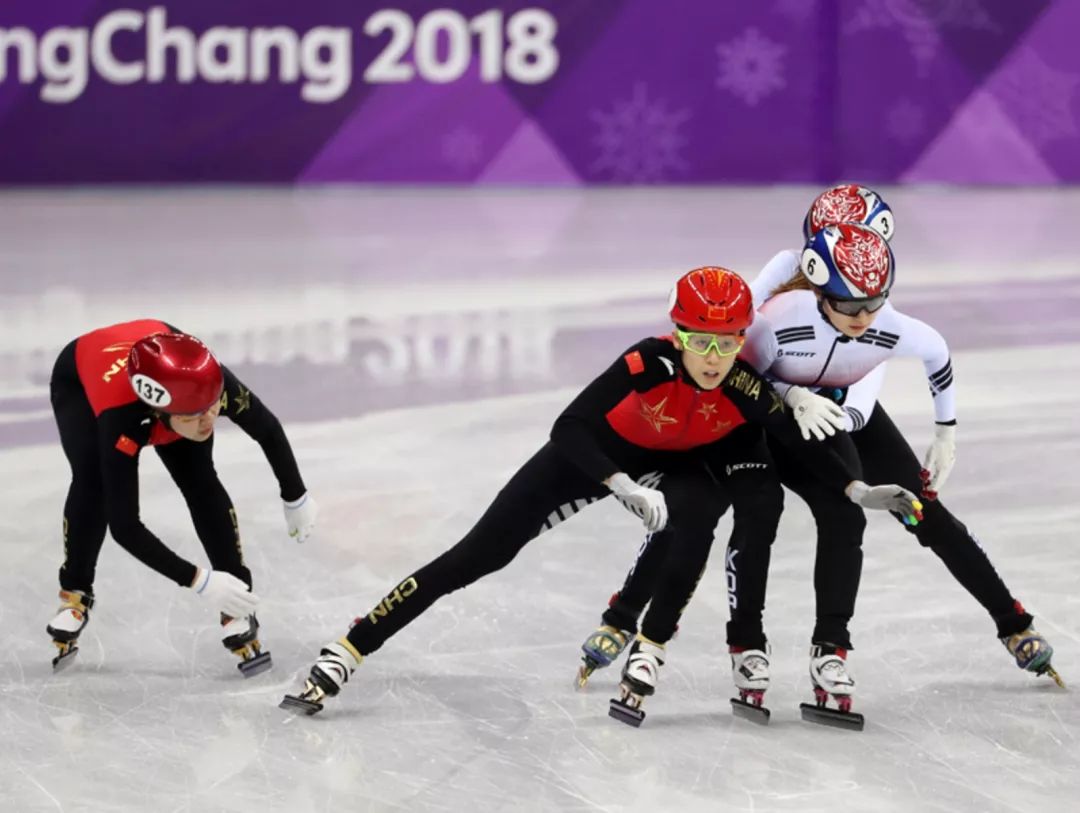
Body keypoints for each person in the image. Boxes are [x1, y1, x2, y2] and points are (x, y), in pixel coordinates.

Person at [280, 267, 921, 721]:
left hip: (667, 467)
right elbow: (569, 426)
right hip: (595, 458)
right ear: (677, 334)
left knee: (695, 515)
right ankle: (350, 647)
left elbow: (799, 441)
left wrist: (856, 488)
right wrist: (614, 482)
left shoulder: (744, 385)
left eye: (727, 343)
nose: (714, 357)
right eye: (700, 341)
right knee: (478, 556)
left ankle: (649, 648)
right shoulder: (648, 362)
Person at [580, 208, 1063, 720]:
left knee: (918, 509)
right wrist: (778, 392)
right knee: (701, 507)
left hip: (842, 412)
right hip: (766, 407)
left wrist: (942, 434)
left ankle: (1012, 623)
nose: (859, 299)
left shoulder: (873, 309)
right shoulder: (786, 282)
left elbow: (865, 386)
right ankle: (628, 617)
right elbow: (736, 340)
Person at [47, 319, 318, 675]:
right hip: (80, 379)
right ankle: (76, 593)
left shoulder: (208, 385)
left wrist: (295, 497)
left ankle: (238, 601)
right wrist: (199, 581)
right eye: (196, 415)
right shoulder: (123, 419)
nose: (209, 420)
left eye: (212, 408)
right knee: (92, 482)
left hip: (174, 375)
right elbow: (125, 527)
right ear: (159, 412)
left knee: (200, 480)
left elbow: (267, 428)